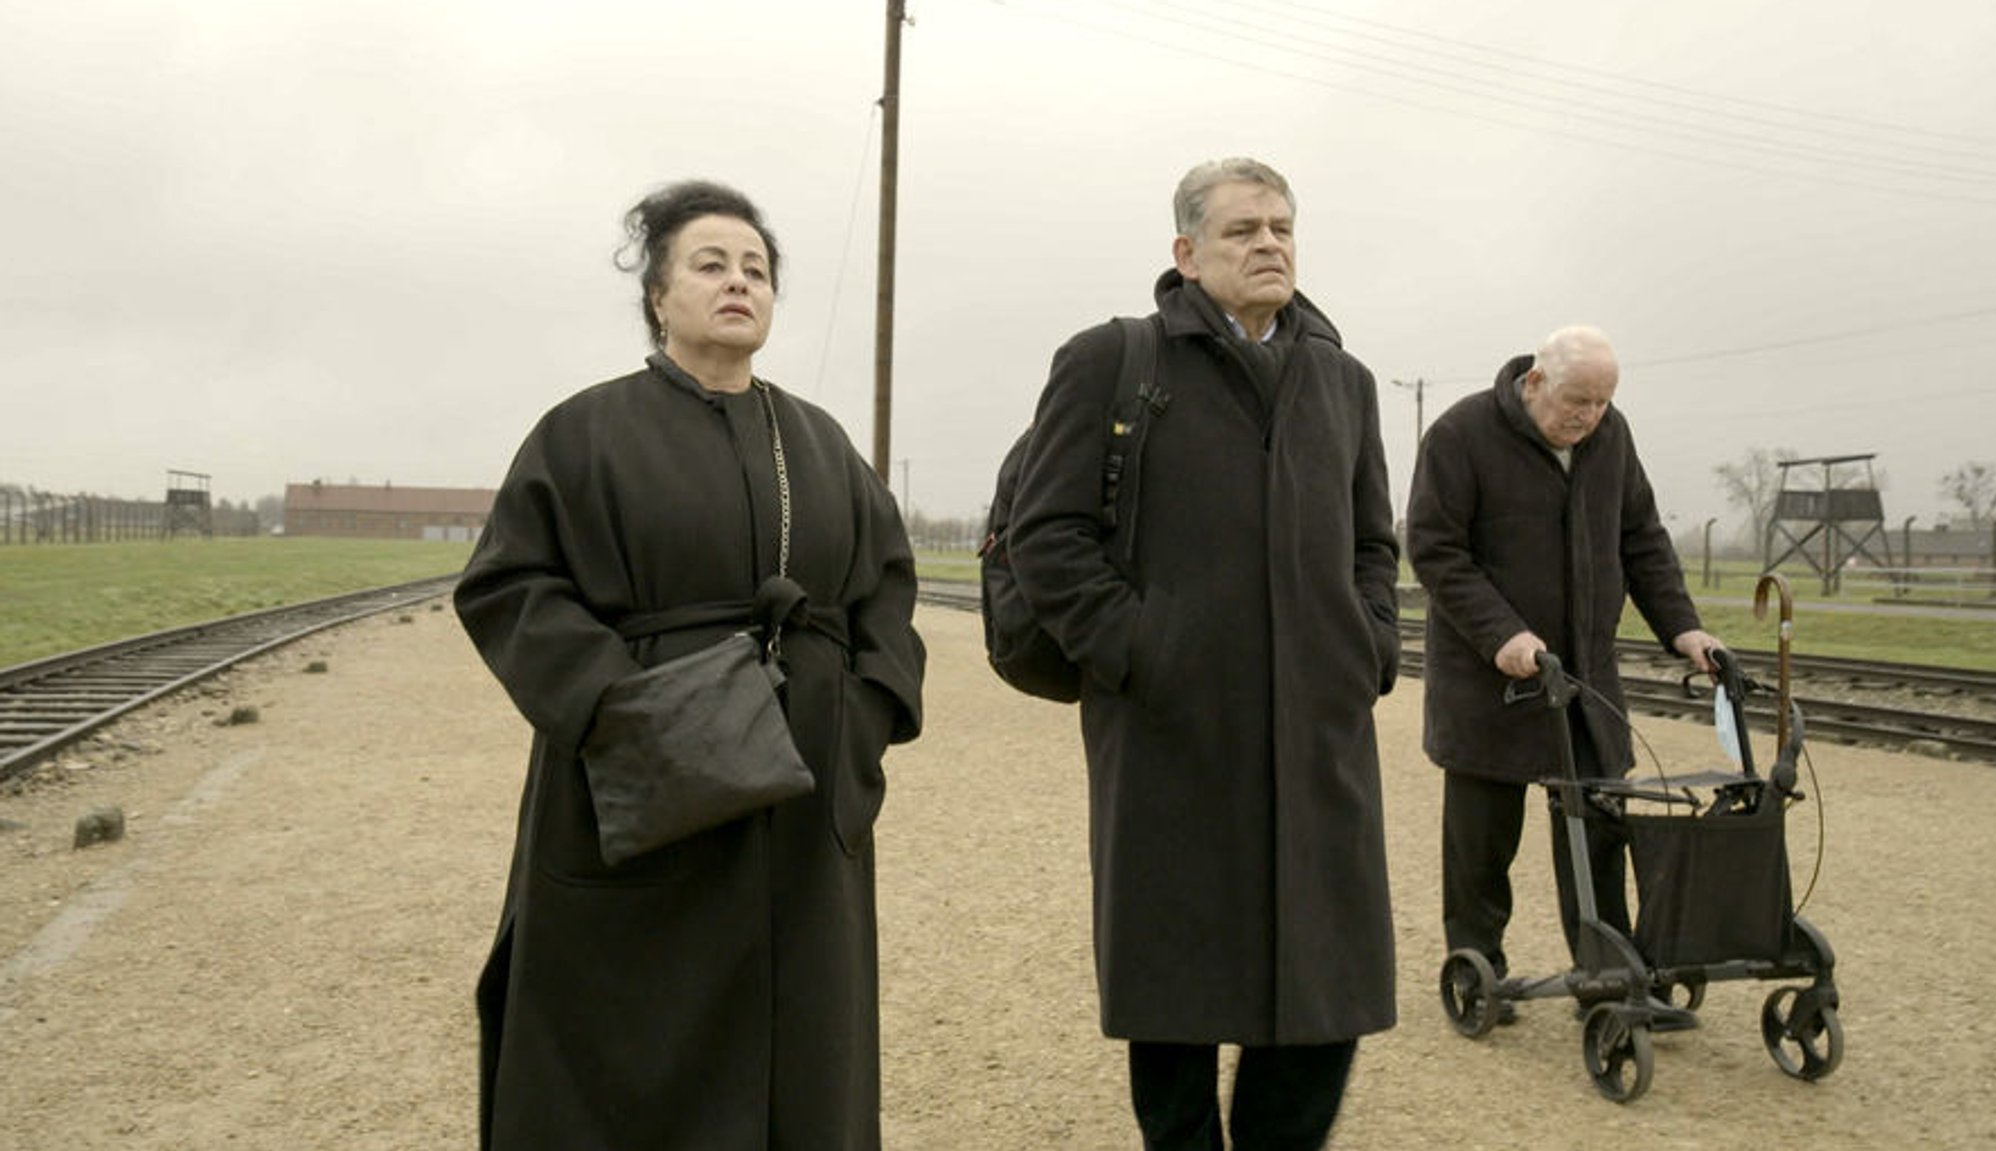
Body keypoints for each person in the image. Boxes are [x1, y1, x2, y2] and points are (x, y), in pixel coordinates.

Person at [454, 180, 925, 1150]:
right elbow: (509, 587)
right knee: (631, 1049)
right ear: (659, 296)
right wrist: (625, 711)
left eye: (755, 268)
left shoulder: (822, 444)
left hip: (802, 810)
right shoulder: (582, 434)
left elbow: (886, 587)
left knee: (804, 1056)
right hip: (643, 788)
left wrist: (864, 719)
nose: (738, 282)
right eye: (710, 264)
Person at [1009, 157, 1403, 1151]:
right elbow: (1043, 536)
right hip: (1171, 731)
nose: (1268, 244)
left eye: (1280, 227)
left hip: (1319, 729)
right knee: (1173, 990)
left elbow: (1371, 541)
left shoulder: (1342, 380)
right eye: (1240, 230)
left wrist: (1366, 648)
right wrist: (1143, 650)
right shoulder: (1112, 361)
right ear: (1185, 253)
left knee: (1327, 990)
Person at [1405, 325, 1718, 1025]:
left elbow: (1641, 537)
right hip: (1492, 677)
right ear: (1536, 381)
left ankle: (1606, 972)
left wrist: (1683, 628)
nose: (1589, 416)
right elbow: (1434, 549)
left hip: (1585, 676)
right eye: (1579, 399)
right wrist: (1502, 633)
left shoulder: (1612, 438)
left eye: (1603, 402)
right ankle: (1478, 962)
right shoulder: (1462, 434)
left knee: (1598, 827)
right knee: (1484, 839)